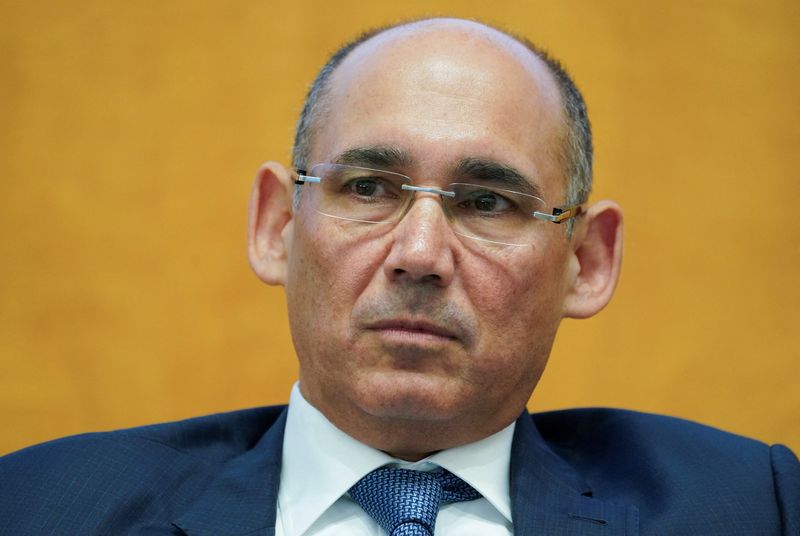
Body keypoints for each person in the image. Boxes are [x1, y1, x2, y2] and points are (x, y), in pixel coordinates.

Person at [0, 17, 797, 536]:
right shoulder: (45, 508)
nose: (419, 254)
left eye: (487, 201)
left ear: (585, 264)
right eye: (369, 188)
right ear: (278, 227)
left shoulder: (749, 507)